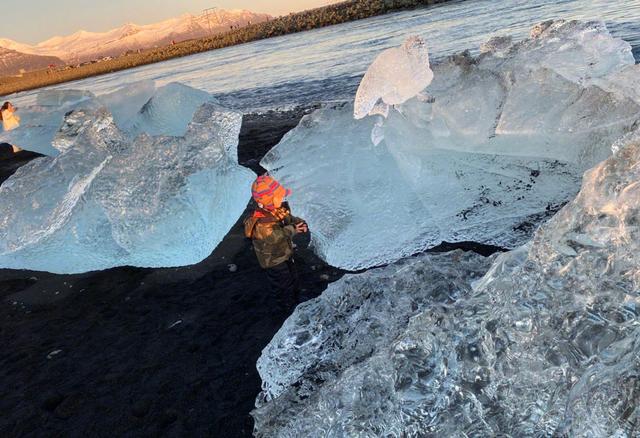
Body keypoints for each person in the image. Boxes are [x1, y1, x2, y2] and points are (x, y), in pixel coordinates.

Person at [244, 174, 309, 311]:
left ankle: (297, 298)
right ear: (268, 201)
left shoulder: (275, 209)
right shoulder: (261, 222)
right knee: (282, 283)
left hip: (284, 252)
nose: (282, 199)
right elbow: (272, 237)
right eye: (279, 197)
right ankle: (286, 306)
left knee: (293, 275)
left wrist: (296, 222)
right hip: (273, 260)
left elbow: (286, 216)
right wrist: (292, 229)